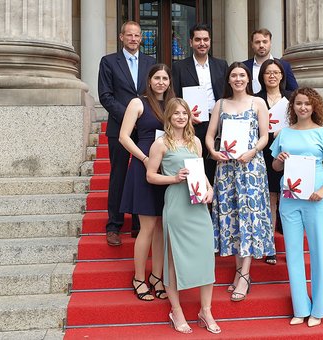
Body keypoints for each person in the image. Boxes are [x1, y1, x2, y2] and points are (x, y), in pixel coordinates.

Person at [146, 98, 220, 335]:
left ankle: (205, 311)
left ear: (189, 117)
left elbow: (201, 172)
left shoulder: (195, 141)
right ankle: (176, 310)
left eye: (184, 113)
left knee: (206, 256)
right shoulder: (160, 143)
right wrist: (173, 178)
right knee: (173, 259)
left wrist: (209, 189)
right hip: (177, 203)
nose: (180, 117)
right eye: (176, 113)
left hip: (198, 205)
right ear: (168, 116)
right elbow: (150, 176)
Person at [270, 87, 323, 327]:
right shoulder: (284, 133)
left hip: (316, 199)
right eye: (299, 103)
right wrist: (278, 161)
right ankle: (300, 308)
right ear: (293, 107)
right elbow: (276, 167)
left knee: (319, 251)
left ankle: (319, 309)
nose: (302, 107)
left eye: (307, 104)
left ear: (314, 107)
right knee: (292, 253)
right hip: (290, 199)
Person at [205, 62, 275, 302]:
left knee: (248, 217)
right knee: (233, 217)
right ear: (229, 79)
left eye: (242, 75)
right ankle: (238, 271)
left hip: (251, 167)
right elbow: (209, 135)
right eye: (234, 75)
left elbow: (265, 136)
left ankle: (244, 275)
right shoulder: (220, 104)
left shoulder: (258, 103)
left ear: (248, 79)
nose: (238, 79)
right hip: (226, 169)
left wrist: (252, 151)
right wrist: (213, 153)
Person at [118, 64, 175, 301]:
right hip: (143, 167)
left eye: (165, 78)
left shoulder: (172, 105)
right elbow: (123, 136)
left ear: (169, 82)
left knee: (162, 227)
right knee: (148, 227)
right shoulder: (138, 103)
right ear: (149, 80)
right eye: (157, 78)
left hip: (166, 169)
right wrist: (143, 158)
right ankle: (139, 278)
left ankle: (157, 277)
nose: (161, 82)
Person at [98, 21, 156, 246]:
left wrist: (142, 119)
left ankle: (137, 224)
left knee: (142, 173)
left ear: (141, 38)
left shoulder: (151, 63)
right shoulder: (109, 62)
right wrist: (129, 117)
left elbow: (155, 92)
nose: (133, 39)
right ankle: (114, 225)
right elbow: (105, 96)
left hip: (145, 130)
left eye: (137, 35)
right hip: (119, 127)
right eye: (129, 35)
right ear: (121, 37)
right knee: (119, 174)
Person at [172, 23, 228, 183]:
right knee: (194, 164)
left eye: (205, 39)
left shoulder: (221, 65)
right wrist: (186, 117)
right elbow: (175, 96)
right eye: (198, 40)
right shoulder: (179, 67)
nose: (202, 43)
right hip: (191, 124)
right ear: (191, 42)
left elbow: (227, 94)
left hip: (217, 123)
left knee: (215, 164)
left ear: (210, 41)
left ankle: (212, 204)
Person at [255, 59, 293, 266]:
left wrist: (284, 131)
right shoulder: (256, 98)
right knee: (269, 199)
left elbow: (299, 122)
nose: (272, 76)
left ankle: (291, 247)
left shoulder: (291, 97)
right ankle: (269, 246)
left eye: (276, 72)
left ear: (281, 75)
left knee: (287, 199)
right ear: (262, 76)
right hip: (263, 152)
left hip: (287, 154)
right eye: (268, 72)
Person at [243, 28, 298, 94]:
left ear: (270, 43)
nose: (261, 45)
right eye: (257, 42)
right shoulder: (244, 66)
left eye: (265, 42)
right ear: (252, 44)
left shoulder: (284, 66)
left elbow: (294, 92)